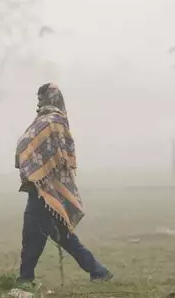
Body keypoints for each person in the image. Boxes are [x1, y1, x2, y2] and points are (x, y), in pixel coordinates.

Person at [14, 82, 112, 286]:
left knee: (40, 234)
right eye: (38, 98)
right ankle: (98, 270)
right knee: (52, 234)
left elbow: (58, 153)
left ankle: (25, 278)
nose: (39, 102)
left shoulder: (54, 121)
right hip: (39, 187)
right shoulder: (43, 120)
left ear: (51, 98)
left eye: (42, 97)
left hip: (47, 187)